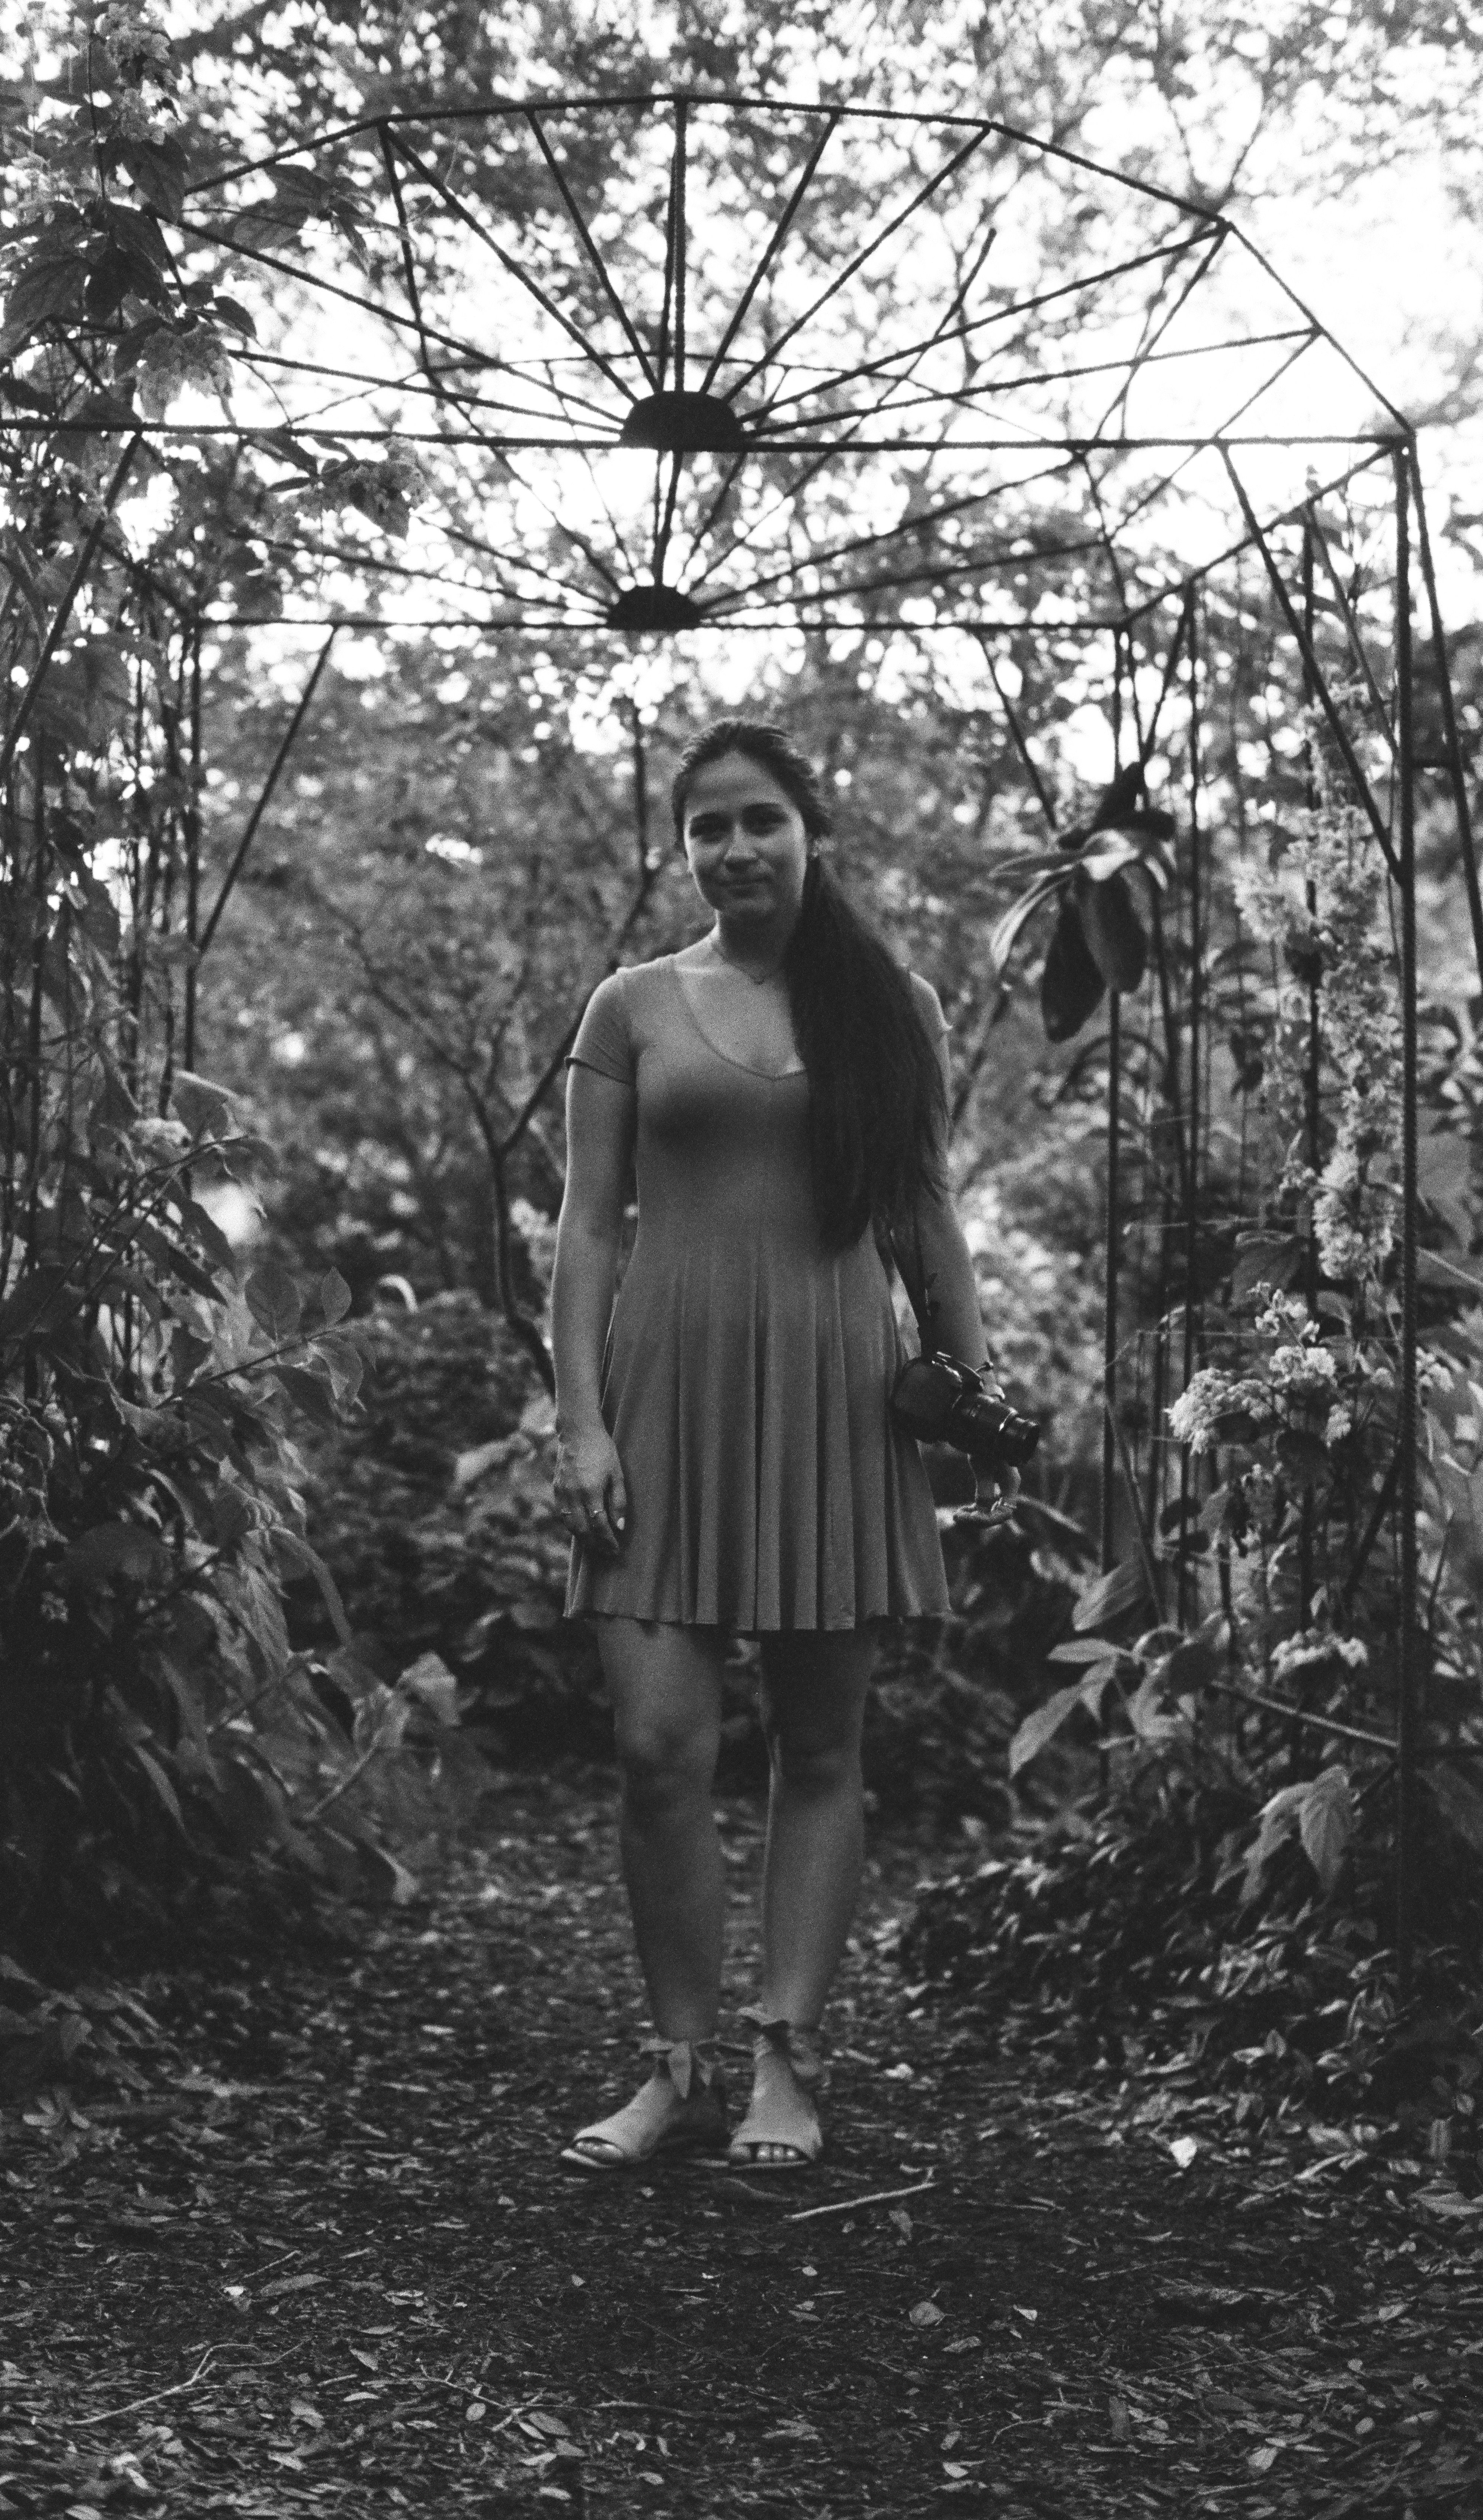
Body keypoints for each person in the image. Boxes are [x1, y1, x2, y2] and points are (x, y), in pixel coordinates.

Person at [550, 718, 1015, 2174]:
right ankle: (675, 2059)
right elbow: (584, 1224)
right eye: (709, 828)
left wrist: (976, 1384)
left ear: (811, 827)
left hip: (833, 1390)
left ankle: (785, 2057)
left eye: (761, 819)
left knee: (821, 1742)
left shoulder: (891, 1006)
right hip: (662, 1395)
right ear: (680, 848)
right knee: (653, 1747)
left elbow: (924, 1211)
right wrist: (576, 1419)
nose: (736, 847)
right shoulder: (630, 1001)